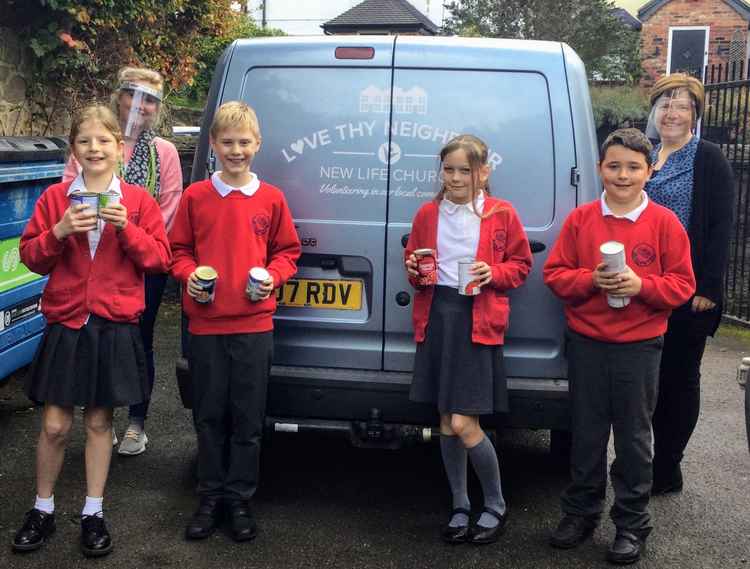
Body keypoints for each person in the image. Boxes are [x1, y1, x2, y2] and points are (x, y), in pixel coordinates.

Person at [12, 104, 171, 557]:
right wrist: (59, 231)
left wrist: (128, 230)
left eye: (104, 141)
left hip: (113, 323)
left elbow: (159, 260)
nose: (95, 148)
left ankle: (93, 511)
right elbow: (31, 257)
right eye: (85, 141)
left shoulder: (139, 201)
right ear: (75, 150)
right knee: (56, 424)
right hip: (67, 321)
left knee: (100, 421)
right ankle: (42, 509)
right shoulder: (55, 199)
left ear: (119, 149)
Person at [544, 128, 696, 564]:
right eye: (614, 166)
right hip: (588, 342)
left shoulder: (665, 223)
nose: (623, 175)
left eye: (633, 167)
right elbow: (554, 275)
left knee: (633, 439)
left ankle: (631, 523)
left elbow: (683, 284)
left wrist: (642, 285)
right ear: (600, 170)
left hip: (639, 346)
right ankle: (581, 513)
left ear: (650, 171)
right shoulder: (581, 220)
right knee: (586, 435)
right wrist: (590, 279)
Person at [169, 101, 301, 542]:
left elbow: (287, 253)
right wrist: (189, 277)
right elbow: (179, 252)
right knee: (209, 416)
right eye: (227, 142)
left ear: (257, 145)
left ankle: (240, 499)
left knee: (248, 418)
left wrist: (274, 278)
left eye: (244, 142)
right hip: (206, 327)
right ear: (213, 144)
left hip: (254, 325)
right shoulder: (196, 197)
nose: (236, 150)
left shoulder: (271, 198)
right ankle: (210, 496)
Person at [404, 134, 532, 545]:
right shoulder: (427, 213)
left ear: (484, 172)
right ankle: (459, 504)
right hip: (438, 315)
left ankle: (494, 504)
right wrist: (413, 268)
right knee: (445, 421)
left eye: (466, 170)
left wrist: (492, 273)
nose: (456, 178)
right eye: (449, 169)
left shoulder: (500, 213)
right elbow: (418, 272)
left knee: (464, 421)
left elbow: (521, 266)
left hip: (476, 319)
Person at [63, 66, 183, 456]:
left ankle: (136, 421)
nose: (141, 105)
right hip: (94, 259)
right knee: (94, 335)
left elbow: (169, 206)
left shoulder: (162, 152)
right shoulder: (95, 144)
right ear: (120, 96)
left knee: (137, 342)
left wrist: (133, 237)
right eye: (134, 95)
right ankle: (102, 420)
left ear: (158, 107)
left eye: (150, 99)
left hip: (141, 263)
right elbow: (68, 192)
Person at [645, 73, 735, 495]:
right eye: (665, 104)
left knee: (680, 379)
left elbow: (719, 227)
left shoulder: (709, 157)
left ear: (695, 113)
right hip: (644, 289)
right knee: (647, 379)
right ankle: (642, 459)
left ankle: (667, 466)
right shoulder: (645, 156)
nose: (672, 112)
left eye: (681, 105)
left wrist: (709, 288)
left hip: (687, 292)